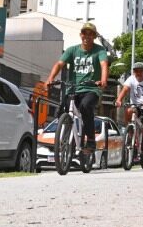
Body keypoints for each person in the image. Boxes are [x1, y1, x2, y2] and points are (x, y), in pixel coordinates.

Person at [45, 22, 109, 155]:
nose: (87, 36)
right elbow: (59, 64)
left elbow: (104, 65)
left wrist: (103, 80)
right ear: (81, 35)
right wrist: (50, 78)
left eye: (91, 34)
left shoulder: (100, 51)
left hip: (91, 89)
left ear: (94, 36)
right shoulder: (72, 50)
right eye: (85, 33)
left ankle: (90, 140)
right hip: (73, 89)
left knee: (86, 107)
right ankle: (69, 138)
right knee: (63, 111)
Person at [115, 62, 143, 161]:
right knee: (128, 111)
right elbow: (125, 89)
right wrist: (118, 100)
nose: (138, 73)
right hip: (136, 106)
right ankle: (130, 133)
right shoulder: (131, 79)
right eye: (135, 71)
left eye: (140, 71)